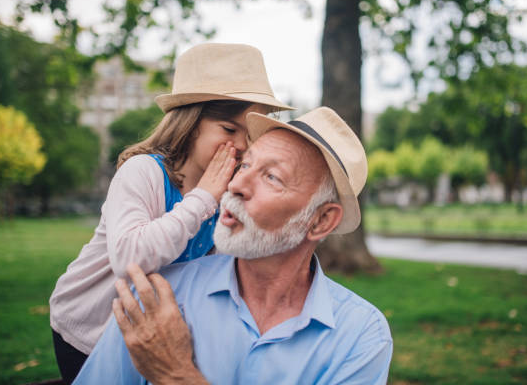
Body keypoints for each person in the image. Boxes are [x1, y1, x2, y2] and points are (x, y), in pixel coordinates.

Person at [74, 107, 393, 384]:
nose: (236, 185)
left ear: (321, 221)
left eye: (272, 177)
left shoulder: (361, 336)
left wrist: (177, 376)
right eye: (244, 165)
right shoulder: (158, 297)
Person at [49, 43, 292, 384]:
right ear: (191, 123)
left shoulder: (228, 191)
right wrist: (205, 195)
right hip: (90, 330)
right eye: (229, 129)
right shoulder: (143, 172)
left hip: (150, 336)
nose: (240, 145)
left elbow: (219, 269)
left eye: (251, 136)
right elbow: (130, 261)